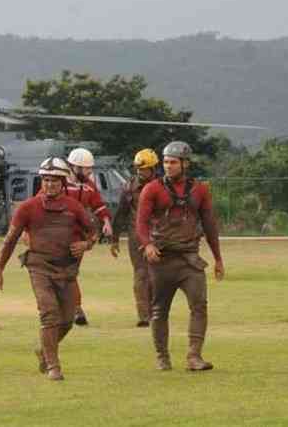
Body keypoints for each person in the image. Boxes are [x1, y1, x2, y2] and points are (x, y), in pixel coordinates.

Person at [0, 157, 97, 381]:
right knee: (49, 314)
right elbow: (10, 240)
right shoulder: (28, 208)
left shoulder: (74, 207)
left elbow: (93, 233)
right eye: (46, 180)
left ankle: (44, 350)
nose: (49, 185)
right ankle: (53, 366)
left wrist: (86, 245)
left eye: (54, 180)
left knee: (67, 320)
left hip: (67, 269)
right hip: (38, 266)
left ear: (63, 182)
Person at [136, 141, 224, 371]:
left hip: (190, 259)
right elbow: (141, 222)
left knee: (199, 306)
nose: (168, 166)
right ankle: (162, 357)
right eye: (165, 162)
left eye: (173, 162)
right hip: (161, 260)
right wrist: (147, 245)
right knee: (158, 310)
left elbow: (210, 225)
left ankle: (194, 356)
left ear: (185, 164)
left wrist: (218, 259)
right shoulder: (151, 189)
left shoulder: (200, 190)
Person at [110, 148, 159, 327]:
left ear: (154, 169)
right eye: (138, 169)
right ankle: (143, 315)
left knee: (156, 274)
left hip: (159, 235)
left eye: (144, 169)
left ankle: (156, 311)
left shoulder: (163, 185)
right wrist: (114, 239)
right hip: (136, 235)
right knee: (141, 273)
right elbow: (121, 213)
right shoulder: (129, 187)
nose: (140, 172)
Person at [65, 147, 113, 326]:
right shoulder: (57, 182)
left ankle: (76, 309)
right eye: (86, 169)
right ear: (74, 167)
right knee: (59, 275)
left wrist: (106, 221)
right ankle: (68, 309)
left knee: (70, 274)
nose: (89, 172)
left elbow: (99, 206)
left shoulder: (88, 186)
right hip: (56, 237)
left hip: (77, 238)